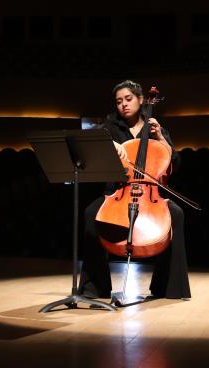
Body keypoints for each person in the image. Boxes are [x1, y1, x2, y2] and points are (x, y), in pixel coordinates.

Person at [79, 80, 191, 299]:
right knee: (90, 214)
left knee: (176, 214)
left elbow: (173, 162)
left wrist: (160, 138)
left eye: (128, 99)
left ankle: (168, 286)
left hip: (151, 193)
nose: (124, 105)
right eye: (119, 101)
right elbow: (92, 144)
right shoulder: (110, 127)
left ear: (141, 100)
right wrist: (111, 145)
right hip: (119, 191)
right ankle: (95, 286)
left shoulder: (155, 128)